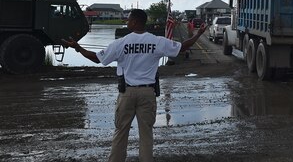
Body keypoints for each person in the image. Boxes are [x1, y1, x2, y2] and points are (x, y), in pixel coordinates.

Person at [62, 9, 207, 162]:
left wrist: (78, 48)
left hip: (127, 94)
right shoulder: (156, 41)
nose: (127, 22)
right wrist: (198, 34)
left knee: (121, 132)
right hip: (147, 93)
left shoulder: (120, 43)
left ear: (136, 22)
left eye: (129, 19)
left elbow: (97, 59)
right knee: (146, 134)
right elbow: (182, 47)